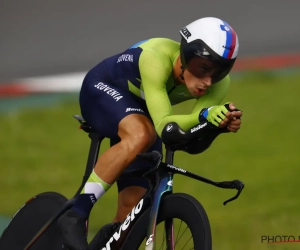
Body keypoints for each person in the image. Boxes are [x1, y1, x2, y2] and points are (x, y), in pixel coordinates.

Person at [57, 16, 243, 250]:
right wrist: (206, 116)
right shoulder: (156, 58)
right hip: (102, 88)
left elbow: (186, 139)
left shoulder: (218, 84)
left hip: (142, 112)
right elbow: (164, 123)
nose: (208, 81)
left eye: (217, 72)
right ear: (186, 53)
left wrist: (216, 128)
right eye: (203, 68)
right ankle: (75, 214)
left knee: (130, 218)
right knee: (143, 134)